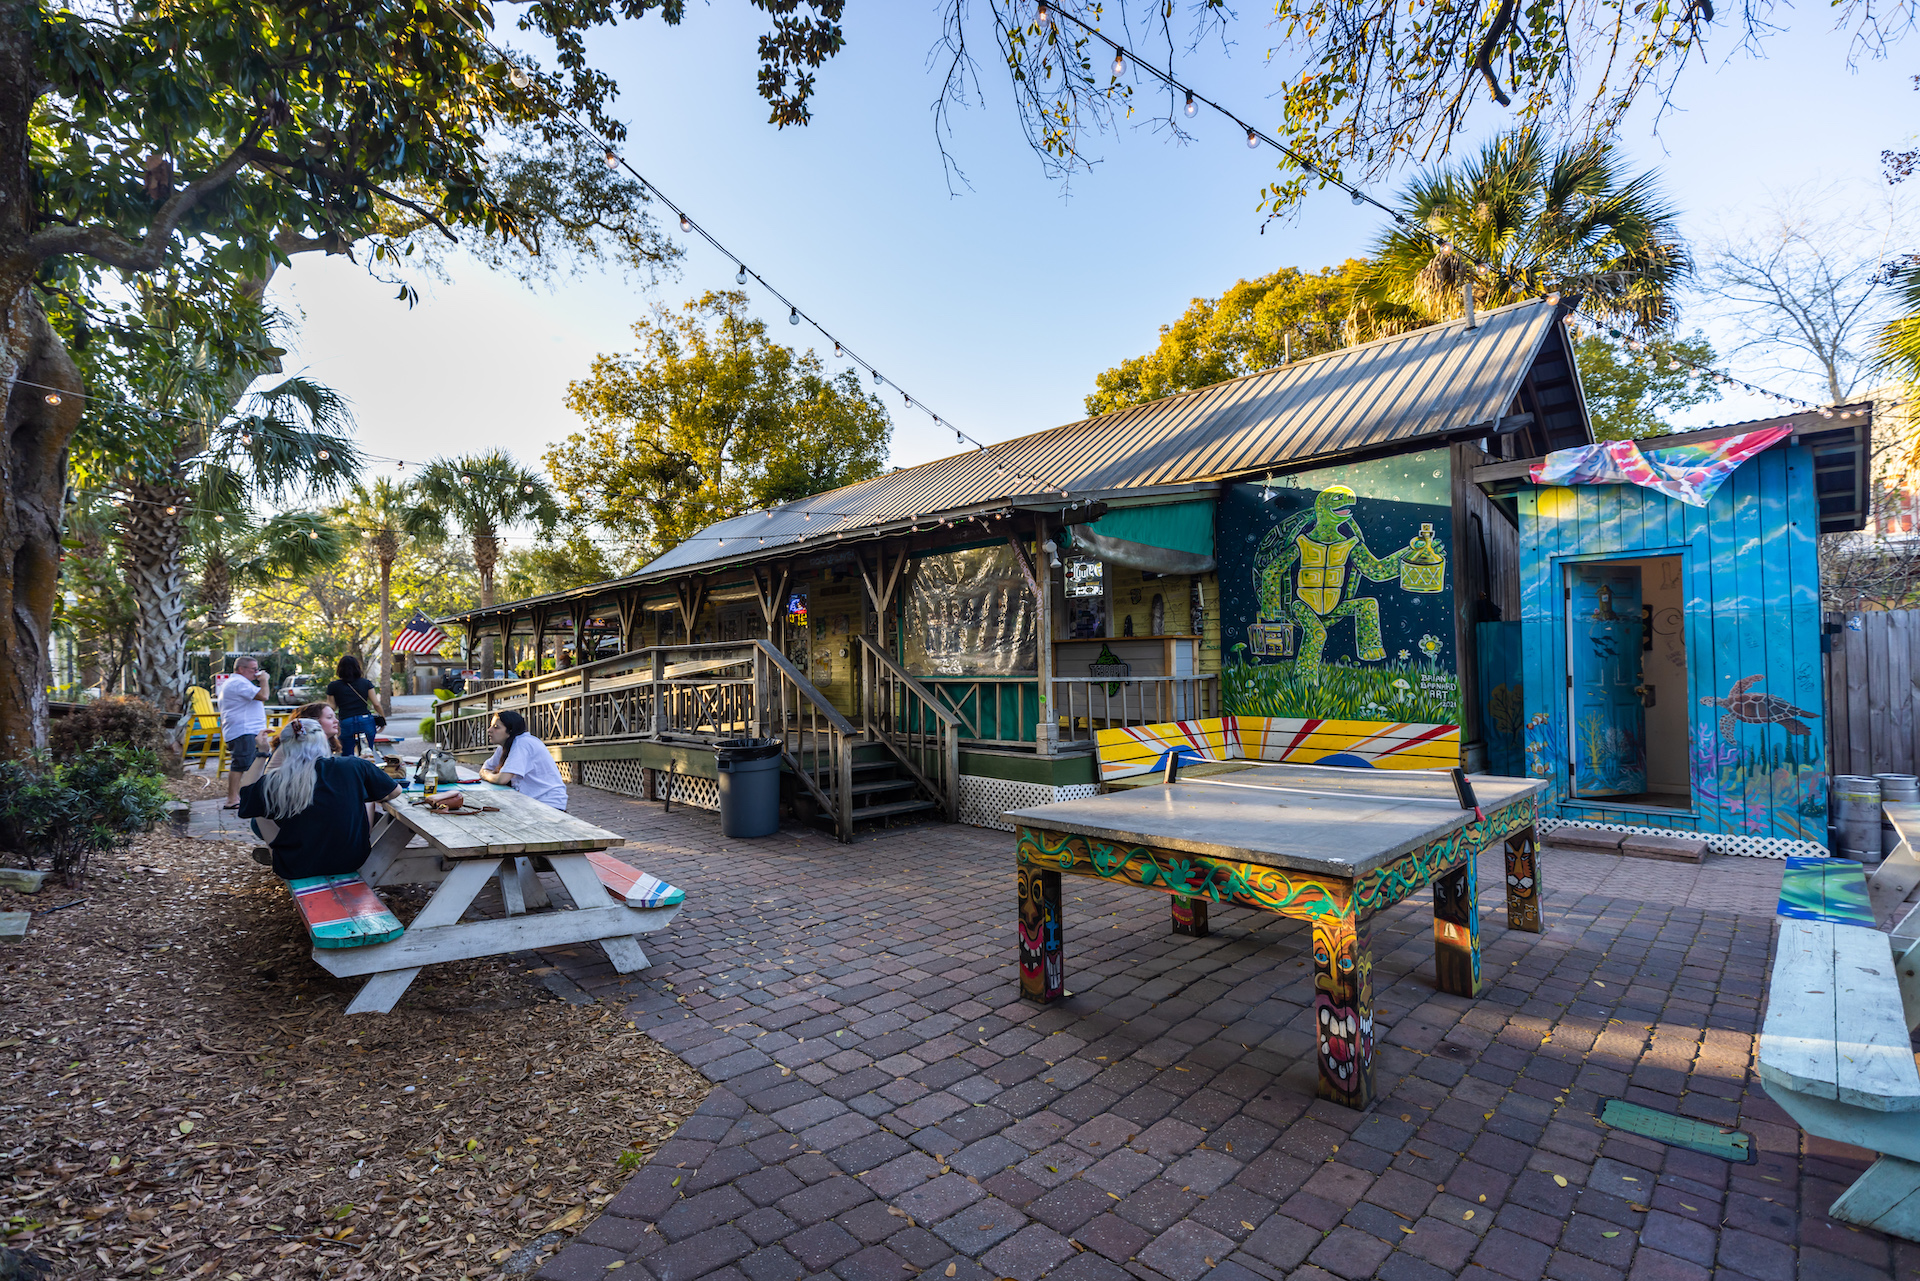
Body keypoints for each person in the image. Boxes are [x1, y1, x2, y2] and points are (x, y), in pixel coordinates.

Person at [238, 718, 401, 878]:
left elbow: (246, 794)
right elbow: (395, 791)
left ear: (285, 747)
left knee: (258, 807)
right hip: (350, 860)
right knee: (367, 796)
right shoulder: (354, 765)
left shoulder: (275, 781)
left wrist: (262, 753)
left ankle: (277, 851)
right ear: (322, 739)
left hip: (294, 866)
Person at [479, 710, 568, 810]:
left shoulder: (522, 744)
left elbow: (502, 779)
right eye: (491, 726)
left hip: (548, 805)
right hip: (529, 802)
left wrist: (486, 775)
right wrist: (488, 773)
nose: (489, 730)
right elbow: (486, 767)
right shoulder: (505, 745)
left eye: (496, 727)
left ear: (510, 730)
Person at [218, 654, 269, 808]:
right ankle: (232, 799)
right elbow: (264, 695)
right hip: (243, 730)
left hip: (247, 730)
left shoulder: (240, 683)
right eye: (254, 669)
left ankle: (242, 797)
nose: (257, 672)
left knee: (252, 763)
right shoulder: (238, 683)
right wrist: (264, 680)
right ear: (241, 669)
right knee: (241, 765)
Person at [328, 655, 378, 757]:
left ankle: (350, 769)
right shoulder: (366, 683)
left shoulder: (333, 686)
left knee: (347, 753)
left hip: (346, 720)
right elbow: (376, 704)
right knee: (368, 752)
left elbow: (331, 707)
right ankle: (366, 767)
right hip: (365, 719)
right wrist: (383, 718)